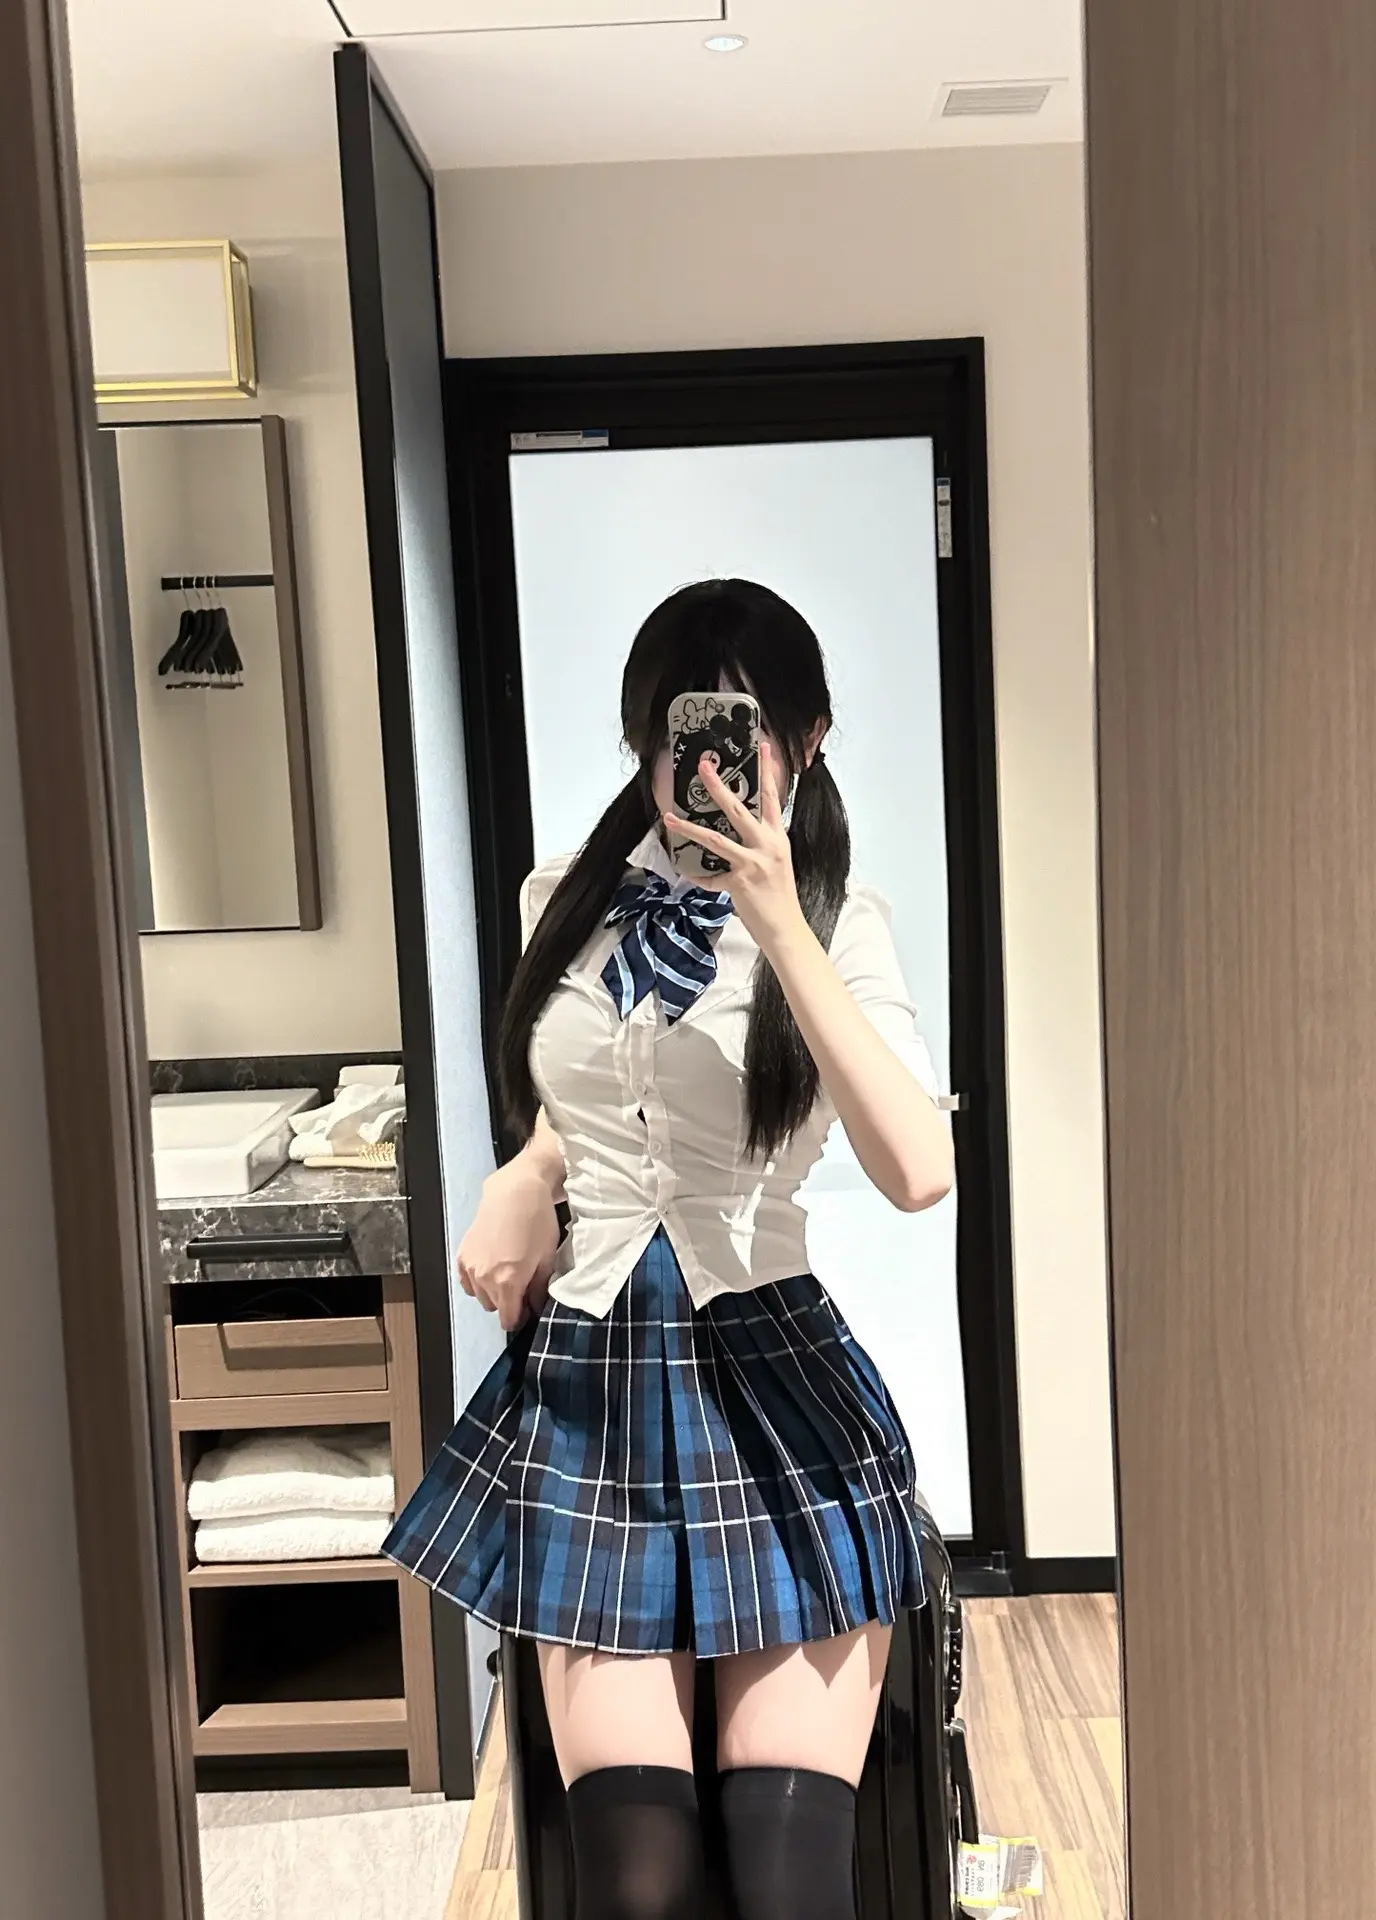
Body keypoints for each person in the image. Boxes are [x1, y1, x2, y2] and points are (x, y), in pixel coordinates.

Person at [384, 579, 954, 1920]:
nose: (695, 772)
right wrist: (528, 1170)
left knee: (787, 1876)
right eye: (669, 736)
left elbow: (918, 1167)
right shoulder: (564, 899)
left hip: (778, 1394)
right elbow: (589, 1099)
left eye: (733, 737)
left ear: (805, 740)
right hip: (592, 1396)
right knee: (635, 1883)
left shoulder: (843, 922)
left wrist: (779, 920)